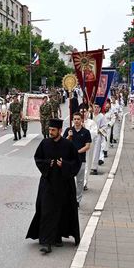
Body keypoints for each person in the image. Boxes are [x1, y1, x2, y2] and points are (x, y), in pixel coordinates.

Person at [26, 118, 81, 254]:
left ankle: (57, 237)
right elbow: (38, 158)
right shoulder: (44, 143)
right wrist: (48, 164)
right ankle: (46, 242)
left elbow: (76, 162)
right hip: (48, 183)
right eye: (49, 130)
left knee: (62, 211)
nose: (50, 132)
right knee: (46, 211)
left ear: (60, 131)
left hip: (64, 184)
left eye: (53, 130)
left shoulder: (68, 145)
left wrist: (65, 165)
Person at [63, 112, 91, 207]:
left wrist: (77, 152)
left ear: (81, 120)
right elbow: (62, 143)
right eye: (75, 119)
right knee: (68, 180)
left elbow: (87, 146)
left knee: (79, 181)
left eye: (78, 119)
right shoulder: (68, 130)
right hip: (69, 160)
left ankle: (77, 200)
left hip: (80, 160)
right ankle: (68, 198)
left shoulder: (86, 132)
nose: (76, 121)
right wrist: (68, 137)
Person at [90, 104, 107, 175]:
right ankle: (89, 166)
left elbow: (104, 126)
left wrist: (98, 130)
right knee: (90, 151)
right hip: (90, 136)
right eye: (95, 107)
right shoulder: (90, 115)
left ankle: (94, 168)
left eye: (98, 107)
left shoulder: (101, 117)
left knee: (96, 152)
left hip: (97, 136)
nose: (96, 109)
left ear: (100, 109)